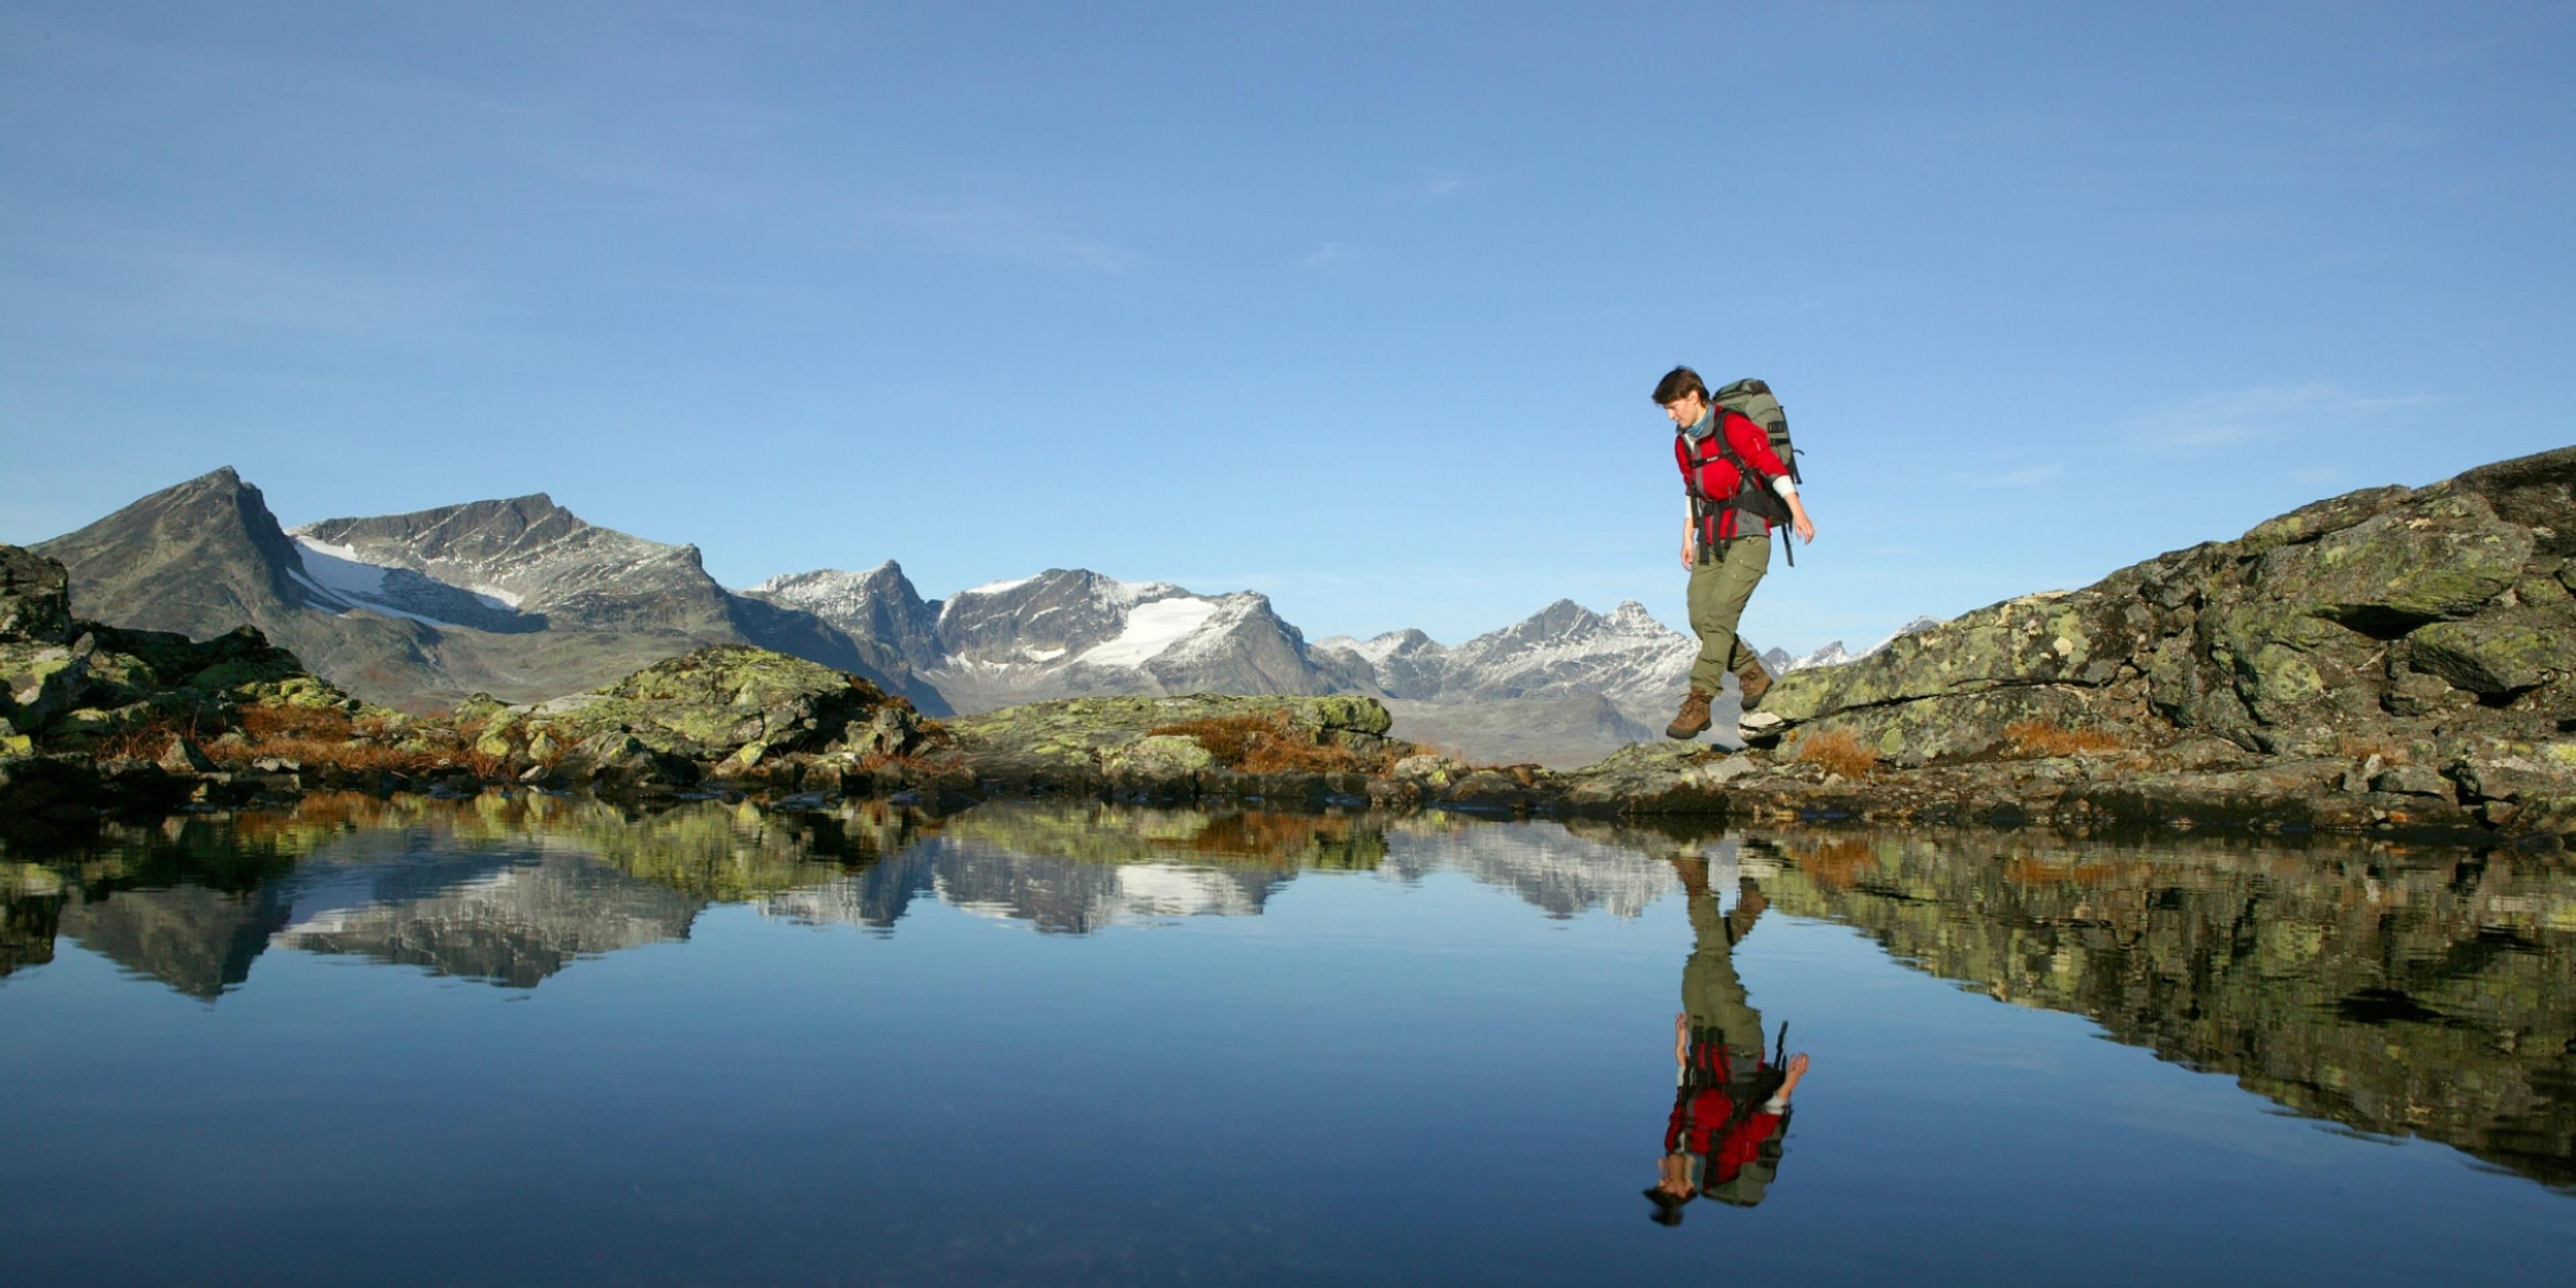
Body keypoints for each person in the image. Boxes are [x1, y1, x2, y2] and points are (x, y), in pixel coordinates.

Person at [1645, 853, 1811, 1224]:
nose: (1662, 1179)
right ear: (1686, 1191)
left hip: (1702, 1041)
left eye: (1658, 1184)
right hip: (1740, 1045)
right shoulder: (1719, 1162)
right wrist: (1790, 1083)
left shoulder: (1674, 1143)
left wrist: (1680, 1048)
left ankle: (1750, 907)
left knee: (1697, 966)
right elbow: (1759, 1125)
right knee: (1715, 964)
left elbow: (1681, 1097)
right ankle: (1697, 884)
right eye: (1666, 1188)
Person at [1654, 366, 1816, 741]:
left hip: (1748, 536)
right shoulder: (1683, 443)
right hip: (1711, 538)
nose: (1670, 415)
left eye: (1673, 406)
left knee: (1720, 618)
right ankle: (1753, 675)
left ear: (1694, 397)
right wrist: (1686, 536)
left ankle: (1700, 700)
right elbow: (1691, 490)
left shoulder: (1734, 427)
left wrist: (1798, 512)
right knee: (1700, 616)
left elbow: (1773, 469)